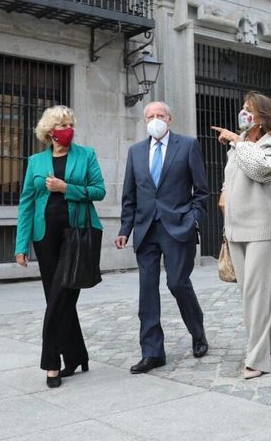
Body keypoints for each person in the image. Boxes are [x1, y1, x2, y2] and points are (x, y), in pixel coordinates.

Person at [15, 105, 106, 388]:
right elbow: (26, 203)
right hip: (45, 238)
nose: (67, 128)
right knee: (59, 299)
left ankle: (52, 362)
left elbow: (99, 190)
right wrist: (21, 244)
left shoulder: (86, 155)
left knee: (59, 299)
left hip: (78, 234)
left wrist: (68, 189)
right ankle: (78, 355)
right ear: (49, 131)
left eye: (70, 123)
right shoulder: (35, 162)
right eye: (62, 124)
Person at [116, 101, 210, 374]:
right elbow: (129, 195)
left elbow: (201, 191)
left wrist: (192, 218)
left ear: (169, 119)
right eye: (150, 116)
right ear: (145, 121)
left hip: (178, 226)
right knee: (147, 290)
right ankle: (152, 352)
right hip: (146, 230)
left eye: (160, 115)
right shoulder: (135, 152)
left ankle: (198, 332)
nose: (155, 120)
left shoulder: (188, 145)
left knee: (177, 282)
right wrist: (125, 229)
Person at [211, 92, 271, 379]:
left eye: (250, 110)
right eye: (243, 108)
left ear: (263, 117)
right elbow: (233, 176)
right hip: (235, 227)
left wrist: (238, 141)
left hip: (261, 227)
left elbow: (261, 170)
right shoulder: (238, 147)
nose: (244, 114)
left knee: (255, 293)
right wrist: (222, 192)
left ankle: (257, 358)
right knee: (251, 291)